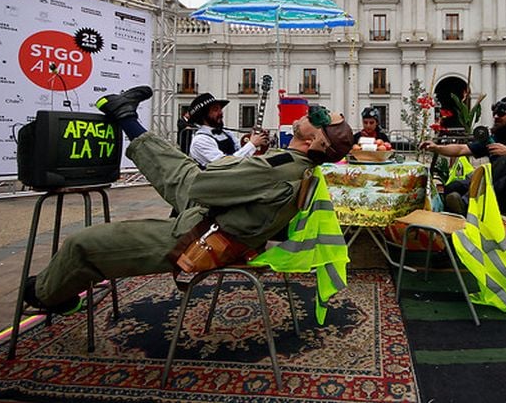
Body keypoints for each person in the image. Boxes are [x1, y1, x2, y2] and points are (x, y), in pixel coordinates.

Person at [23, 85, 354, 314]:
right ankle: (125, 116)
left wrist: (245, 159)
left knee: (83, 244)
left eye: (319, 118)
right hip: (221, 224)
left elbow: (204, 185)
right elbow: (210, 184)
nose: (312, 113)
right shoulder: (297, 166)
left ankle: (47, 295)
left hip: (199, 239)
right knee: (180, 170)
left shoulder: (280, 166)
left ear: (316, 142)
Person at [420, 96, 506, 216]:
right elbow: (462, 149)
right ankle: (456, 229)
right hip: (496, 193)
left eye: (501, 112)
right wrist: (436, 148)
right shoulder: (495, 139)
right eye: (494, 113)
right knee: (454, 187)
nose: (496, 116)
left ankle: (466, 205)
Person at [187, 92, 268, 167]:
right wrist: (252, 144)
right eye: (215, 110)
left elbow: (239, 148)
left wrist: (256, 137)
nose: (221, 113)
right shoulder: (200, 140)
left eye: (220, 109)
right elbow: (225, 164)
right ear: (203, 116)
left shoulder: (226, 133)